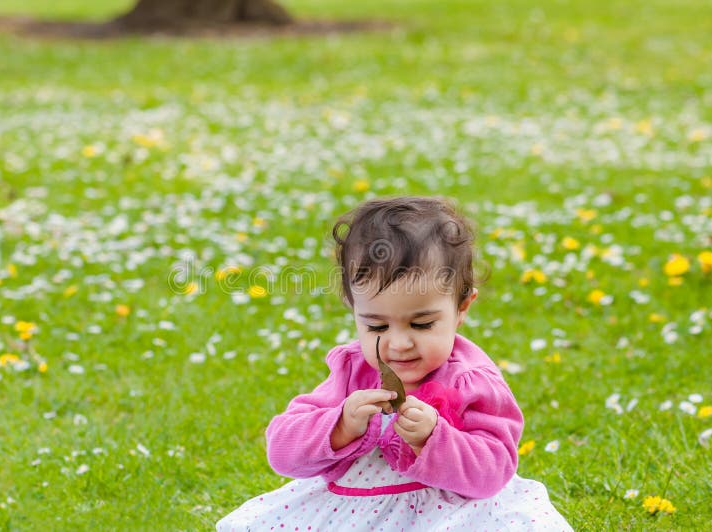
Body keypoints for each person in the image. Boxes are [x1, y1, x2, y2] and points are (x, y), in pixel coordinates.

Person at [217, 196, 572, 531]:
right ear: (353, 309)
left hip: (448, 516)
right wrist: (341, 425)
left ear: (462, 307)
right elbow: (282, 450)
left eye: (421, 324)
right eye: (377, 326)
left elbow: (494, 470)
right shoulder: (353, 370)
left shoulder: (470, 379)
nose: (399, 344)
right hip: (354, 511)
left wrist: (434, 439)